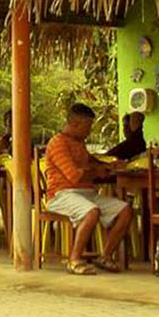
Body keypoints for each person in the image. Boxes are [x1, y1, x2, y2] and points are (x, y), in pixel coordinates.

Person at [45, 103, 133, 275]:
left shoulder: (79, 143)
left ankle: (105, 256)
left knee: (125, 210)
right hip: (61, 195)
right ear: (75, 124)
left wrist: (110, 166)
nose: (90, 130)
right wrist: (97, 172)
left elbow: (91, 163)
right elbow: (74, 175)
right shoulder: (58, 143)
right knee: (91, 212)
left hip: (87, 194)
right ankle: (75, 260)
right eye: (88, 126)